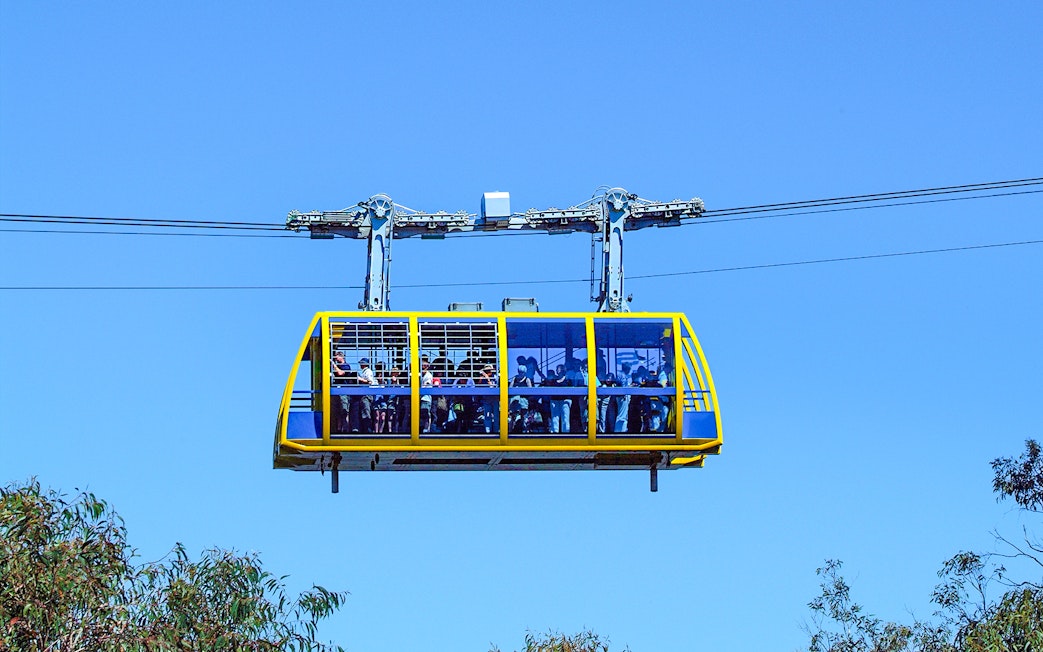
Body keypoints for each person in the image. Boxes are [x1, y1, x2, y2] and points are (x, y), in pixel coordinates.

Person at [545, 364, 572, 434]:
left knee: (565, 418)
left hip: (565, 401)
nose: (556, 370)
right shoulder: (553, 380)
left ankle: (565, 433)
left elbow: (571, 390)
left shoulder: (568, 380)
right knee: (554, 417)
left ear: (562, 370)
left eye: (558, 369)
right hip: (554, 401)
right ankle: (555, 433)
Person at [330, 351, 352, 433]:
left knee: (344, 410)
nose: (335, 358)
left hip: (344, 391)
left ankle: (346, 429)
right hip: (337, 391)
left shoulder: (346, 366)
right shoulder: (338, 366)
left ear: (341, 357)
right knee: (338, 411)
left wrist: (333, 365)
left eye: (336, 356)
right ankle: (338, 429)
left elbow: (340, 373)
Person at [356, 357, 376, 433]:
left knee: (366, 411)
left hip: (366, 395)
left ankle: (368, 431)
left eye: (361, 363)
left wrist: (360, 379)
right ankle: (366, 429)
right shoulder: (364, 372)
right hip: (363, 394)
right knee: (364, 411)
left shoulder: (368, 371)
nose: (360, 365)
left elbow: (370, 382)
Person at [613, 362, 633, 433]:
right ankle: (618, 432)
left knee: (624, 416)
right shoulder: (622, 375)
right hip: (623, 397)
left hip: (623, 396)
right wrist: (630, 387)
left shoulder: (621, 374)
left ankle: (623, 430)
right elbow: (623, 387)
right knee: (622, 415)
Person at [479, 363, 499, 434]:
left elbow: (492, 387)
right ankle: (488, 431)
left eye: (489, 370)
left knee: (496, 416)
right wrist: (482, 377)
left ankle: (496, 431)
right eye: (486, 371)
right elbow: (479, 385)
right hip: (486, 399)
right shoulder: (483, 378)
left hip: (495, 399)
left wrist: (487, 378)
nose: (488, 372)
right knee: (487, 415)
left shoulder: (495, 377)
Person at [419, 357, 433, 433]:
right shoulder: (419, 375)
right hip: (419, 397)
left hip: (426, 398)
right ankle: (422, 427)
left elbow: (426, 385)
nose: (422, 367)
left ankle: (427, 428)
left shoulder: (429, 375)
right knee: (421, 413)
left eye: (424, 366)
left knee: (426, 412)